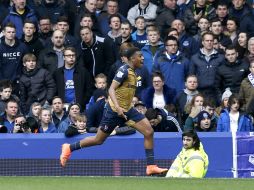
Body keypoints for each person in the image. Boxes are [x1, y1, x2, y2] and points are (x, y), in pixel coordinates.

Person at [60, 47, 168, 176]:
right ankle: (69, 148)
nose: (143, 58)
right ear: (133, 58)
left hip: (127, 110)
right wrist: (117, 107)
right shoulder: (123, 70)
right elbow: (111, 89)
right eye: (140, 56)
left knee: (149, 132)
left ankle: (150, 166)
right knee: (98, 140)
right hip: (114, 111)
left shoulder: (134, 72)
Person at [54, 47, 93, 111]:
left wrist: (82, 103)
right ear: (64, 57)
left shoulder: (83, 72)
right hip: (63, 107)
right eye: (69, 55)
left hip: (78, 107)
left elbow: (89, 89)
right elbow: (54, 90)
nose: (71, 57)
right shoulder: (57, 73)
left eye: (73, 55)